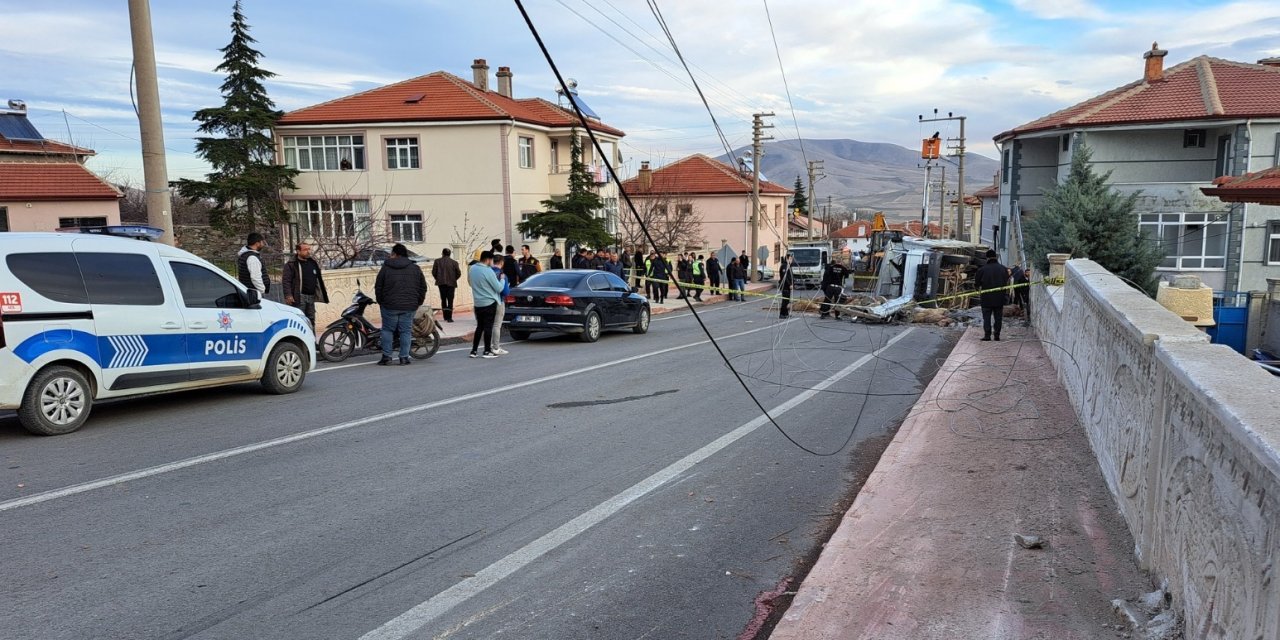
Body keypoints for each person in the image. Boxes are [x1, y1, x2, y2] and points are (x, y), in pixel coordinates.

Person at [375, 243, 427, 365]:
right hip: (409, 306)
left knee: (387, 330)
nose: (390, 256)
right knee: (405, 331)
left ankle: (387, 357)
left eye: (392, 253)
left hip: (389, 305)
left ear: (395, 254)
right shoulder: (415, 268)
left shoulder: (386, 268)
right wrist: (418, 302)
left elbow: (378, 286)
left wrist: (381, 301)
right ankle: (404, 357)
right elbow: (423, 287)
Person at [281, 242, 328, 328]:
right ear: (298, 251)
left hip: (311, 297)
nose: (308, 251)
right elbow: (286, 281)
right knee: (300, 321)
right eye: (305, 249)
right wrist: (288, 295)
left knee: (311, 320)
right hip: (299, 297)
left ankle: (312, 340)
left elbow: (318, 279)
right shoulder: (291, 264)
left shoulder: (312, 263)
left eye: (308, 249)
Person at [468, 251, 504, 358]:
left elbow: (470, 283)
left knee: (479, 327)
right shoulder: (488, 271)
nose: (492, 262)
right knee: (488, 327)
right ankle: (487, 351)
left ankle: (474, 351)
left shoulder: (472, 269)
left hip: (477, 303)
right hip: (489, 302)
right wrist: (502, 279)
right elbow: (499, 288)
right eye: (492, 260)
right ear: (488, 259)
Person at [975, 249, 1010, 341]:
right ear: (996, 257)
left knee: (986, 318)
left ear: (987, 258)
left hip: (986, 298)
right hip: (999, 298)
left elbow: (977, 284)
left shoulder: (982, 269)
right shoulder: (1003, 269)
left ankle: (987, 335)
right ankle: (997, 335)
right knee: (998, 318)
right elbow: (1006, 280)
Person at [432, 247, 462, 322]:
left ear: (442, 253)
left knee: (443, 300)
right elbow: (458, 273)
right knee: (450, 300)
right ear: (449, 254)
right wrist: (453, 279)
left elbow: (434, 272)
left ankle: (445, 316)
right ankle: (449, 318)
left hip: (441, 283)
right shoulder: (454, 262)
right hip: (451, 284)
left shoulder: (437, 261)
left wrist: (438, 278)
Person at [490, 255, 511, 355]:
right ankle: (495, 347)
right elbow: (505, 292)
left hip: (487, 302)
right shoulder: (502, 275)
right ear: (502, 263)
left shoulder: (487, 273)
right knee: (497, 325)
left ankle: (487, 346)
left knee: (488, 324)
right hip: (498, 301)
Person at [778, 253, 795, 318]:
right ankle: (782, 314)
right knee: (785, 301)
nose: (792, 260)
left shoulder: (789, 266)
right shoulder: (784, 266)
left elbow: (790, 276)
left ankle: (786, 313)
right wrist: (790, 284)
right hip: (785, 286)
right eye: (791, 258)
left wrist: (793, 283)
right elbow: (785, 277)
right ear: (788, 258)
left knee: (787, 300)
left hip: (788, 286)